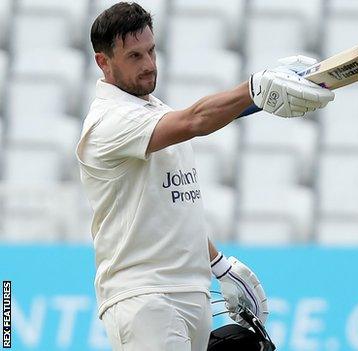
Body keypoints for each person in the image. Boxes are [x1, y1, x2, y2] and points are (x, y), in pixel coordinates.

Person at [75, 2, 334, 350]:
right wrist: (256, 87)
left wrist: (219, 265)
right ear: (103, 62)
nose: (150, 64)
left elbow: (173, 207)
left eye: (151, 50)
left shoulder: (153, 111)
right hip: (144, 295)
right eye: (134, 56)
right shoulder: (108, 122)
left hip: (191, 293)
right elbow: (196, 119)